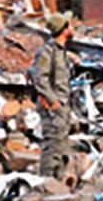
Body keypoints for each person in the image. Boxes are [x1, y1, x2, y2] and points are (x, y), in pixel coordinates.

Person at [32, 11, 80, 180]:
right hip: (53, 108)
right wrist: (53, 102)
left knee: (62, 150)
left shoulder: (60, 52)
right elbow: (39, 78)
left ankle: (57, 188)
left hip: (63, 107)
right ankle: (44, 187)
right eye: (70, 24)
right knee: (52, 148)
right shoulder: (47, 52)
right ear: (64, 29)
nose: (73, 27)